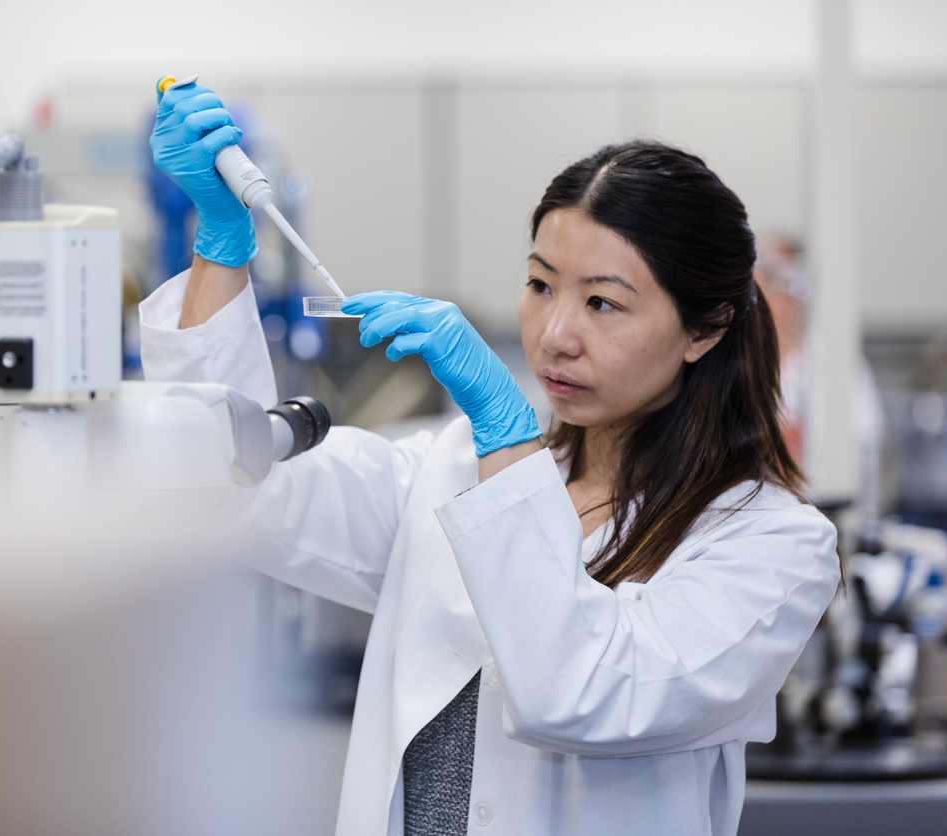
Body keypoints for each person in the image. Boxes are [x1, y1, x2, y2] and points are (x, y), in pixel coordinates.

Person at [141, 80, 840, 836]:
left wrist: (508, 438)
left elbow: (581, 692)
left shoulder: (773, 548)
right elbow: (242, 489)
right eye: (540, 284)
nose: (555, 334)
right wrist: (220, 246)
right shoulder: (448, 470)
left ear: (705, 330)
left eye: (602, 302)